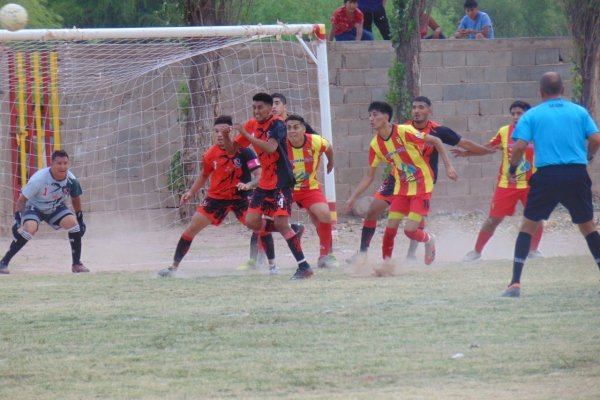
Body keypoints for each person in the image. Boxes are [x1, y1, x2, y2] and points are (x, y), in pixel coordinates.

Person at [347, 96, 492, 262]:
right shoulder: (402, 129)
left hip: (422, 179)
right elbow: (370, 174)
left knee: (414, 222)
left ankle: (412, 253)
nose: (416, 111)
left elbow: (464, 143)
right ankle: (365, 254)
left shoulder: (438, 131)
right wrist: (353, 198)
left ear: (429, 110)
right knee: (375, 211)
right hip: (398, 178)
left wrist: (484, 151)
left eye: (421, 107)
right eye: (414, 107)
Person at [502, 72, 600, 297]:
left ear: (540, 92)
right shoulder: (579, 111)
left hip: (546, 175)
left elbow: (518, 147)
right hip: (576, 173)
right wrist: (588, 157)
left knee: (528, 226)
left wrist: (512, 169)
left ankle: (515, 283)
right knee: (587, 227)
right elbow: (595, 139)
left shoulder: (533, 115)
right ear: (563, 90)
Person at [223, 93, 314, 280]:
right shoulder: (250, 124)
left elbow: (271, 148)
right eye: (254, 107)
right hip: (265, 182)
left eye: (260, 108)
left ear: (269, 108)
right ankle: (294, 229)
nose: (256, 111)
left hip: (282, 181)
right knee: (251, 221)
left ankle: (304, 267)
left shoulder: (278, 124)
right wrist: (226, 137)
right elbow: (233, 151)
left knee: (281, 223)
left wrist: (246, 135)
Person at [158, 116, 261, 277]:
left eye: (224, 131)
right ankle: (173, 267)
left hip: (241, 197)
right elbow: (204, 175)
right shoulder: (210, 154)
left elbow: (258, 175)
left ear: (232, 132)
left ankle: (264, 262)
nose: (220, 134)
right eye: (216, 131)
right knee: (191, 228)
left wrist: (249, 185)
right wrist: (190, 192)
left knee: (259, 226)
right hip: (216, 199)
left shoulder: (245, 151)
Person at [454, 101, 544, 262]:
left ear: (528, 115)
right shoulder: (504, 132)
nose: (516, 117)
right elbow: (488, 148)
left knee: (536, 218)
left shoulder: (538, 132)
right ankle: (476, 252)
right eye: (513, 114)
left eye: (520, 113)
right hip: (506, 185)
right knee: (493, 219)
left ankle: (534, 251)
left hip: (532, 185)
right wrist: (467, 153)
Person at [0, 149, 88, 274]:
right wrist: (17, 219)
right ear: (51, 164)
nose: (62, 166)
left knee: (74, 226)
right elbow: (22, 199)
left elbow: (75, 198)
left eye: (65, 163)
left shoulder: (72, 180)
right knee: (30, 229)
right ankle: (3, 262)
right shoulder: (39, 179)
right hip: (34, 206)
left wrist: (80, 219)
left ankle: (76, 264)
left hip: (55, 206)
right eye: (59, 163)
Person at [286, 114, 338, 268]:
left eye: (295, 127)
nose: (292, 131)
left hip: (310, 188)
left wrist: (330, 162)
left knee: (324, 215)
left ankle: (324, 256)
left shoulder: (315, 141)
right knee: (271, 218)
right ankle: (266, 260)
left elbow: (328, 147)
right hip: (287, 189)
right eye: (288, 128)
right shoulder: (281, 144)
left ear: (303, 129)